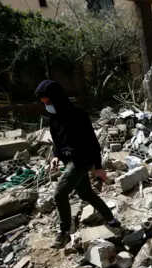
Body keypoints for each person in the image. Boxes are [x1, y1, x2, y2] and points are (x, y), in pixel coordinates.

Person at [35, 80, 120, 247]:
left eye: (49, 102)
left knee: (59, 193)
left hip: (82, 159)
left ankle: (65, 231)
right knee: (86, 194)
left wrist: (98, 167)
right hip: (70, 160)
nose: (47, 106)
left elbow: (93, 142)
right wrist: (56, 155)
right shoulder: (53, 116)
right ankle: (112, 220)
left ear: (57, 98)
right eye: (44, 103)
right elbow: (57, 140)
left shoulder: (78, 114)